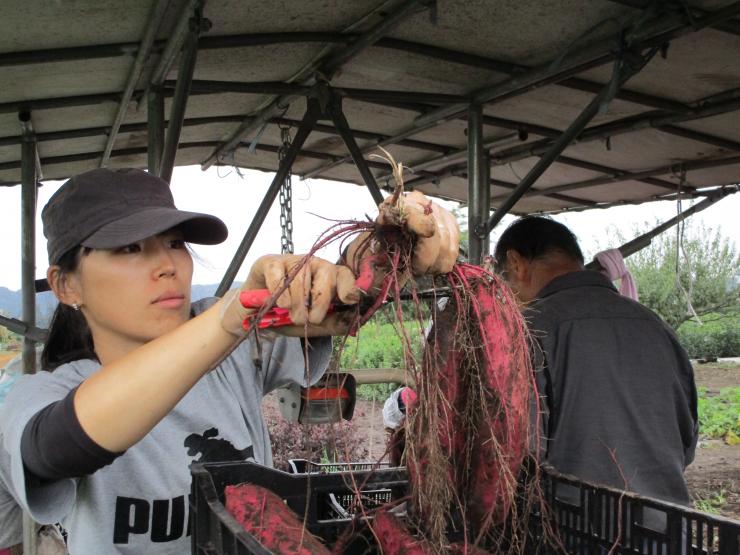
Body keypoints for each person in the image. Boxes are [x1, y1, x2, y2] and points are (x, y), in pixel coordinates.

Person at [0, 168, 458, 554]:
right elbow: (54, 446)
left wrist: (377, 252)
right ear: (66, 286)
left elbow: (338, 297)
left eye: (174, 243)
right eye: (129, 248)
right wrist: (228, 318)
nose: (168, 266)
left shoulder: (233, 348)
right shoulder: (44, 392)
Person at [493, 216, 698, 520]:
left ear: (515, 264)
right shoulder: (656, 326)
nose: (509, 296)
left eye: (505, 283)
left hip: (578, 530)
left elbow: (521, 450)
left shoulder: (532, 327)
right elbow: (688, 440)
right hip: (665, 526)